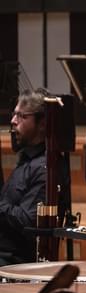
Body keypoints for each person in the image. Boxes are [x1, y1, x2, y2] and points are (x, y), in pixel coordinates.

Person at [0, 89, 48, 265]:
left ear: (42, 123)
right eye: (14, 115)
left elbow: (27, 220)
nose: (13, 121)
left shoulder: (45, 168)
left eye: (21, 116)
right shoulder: (27, 160)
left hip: (13, 259)